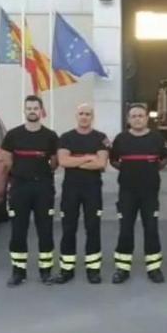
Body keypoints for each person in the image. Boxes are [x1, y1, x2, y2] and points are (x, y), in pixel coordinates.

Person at [0, 95, 59, 287]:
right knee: (18, 231)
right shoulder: (13, 135)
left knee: (46, 230)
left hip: (43, 188)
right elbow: (6, 160)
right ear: (24, 111)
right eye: (29, 108)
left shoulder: (50, 136)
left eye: (35, 108)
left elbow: (55, 162)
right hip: (20, 187)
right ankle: (18, 272)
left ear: (41, 111)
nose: (32, 111)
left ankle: (46, 272)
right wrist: (18, 175)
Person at [110, 104, 167, 284]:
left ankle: (154, 269)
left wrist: (152, 169)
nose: (137, 119)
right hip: (127, 192)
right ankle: (122, 268)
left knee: (151, 229)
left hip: (150, 192)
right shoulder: (121, 139)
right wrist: (128, 170)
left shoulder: (157, 138)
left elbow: (165, 158)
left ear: (146, 119)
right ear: (128, 119)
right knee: (125, 230)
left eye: (141, 116)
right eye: (134, 116)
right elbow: (113, 161)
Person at [53, 103, 110, 285]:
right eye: (81, 114)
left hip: (92, 189)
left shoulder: (100, 138)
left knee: (92, 228)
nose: (84, 117)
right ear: (76, 116)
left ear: (92, 116)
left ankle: (93, 270)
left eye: (87, 114)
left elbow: (101, 164)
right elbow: (63, 161)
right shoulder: (66, 138)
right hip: (71, 189)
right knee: (68, 228)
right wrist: (88, 157)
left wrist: (76, 160)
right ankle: (66, 270)